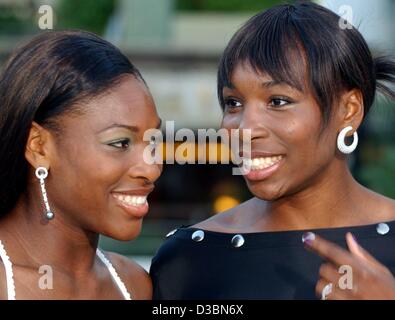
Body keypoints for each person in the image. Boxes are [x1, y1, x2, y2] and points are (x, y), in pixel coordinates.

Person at [150, 2, 395, 300]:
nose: (246, 128)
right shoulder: (187, 259)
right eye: (233, 103)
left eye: (278, 101)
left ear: (348, 110)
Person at [0, 30, 162, 299]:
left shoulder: (135, 285)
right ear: (38, 147)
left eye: (153, 141)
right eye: (121, 143)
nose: (151, 169)